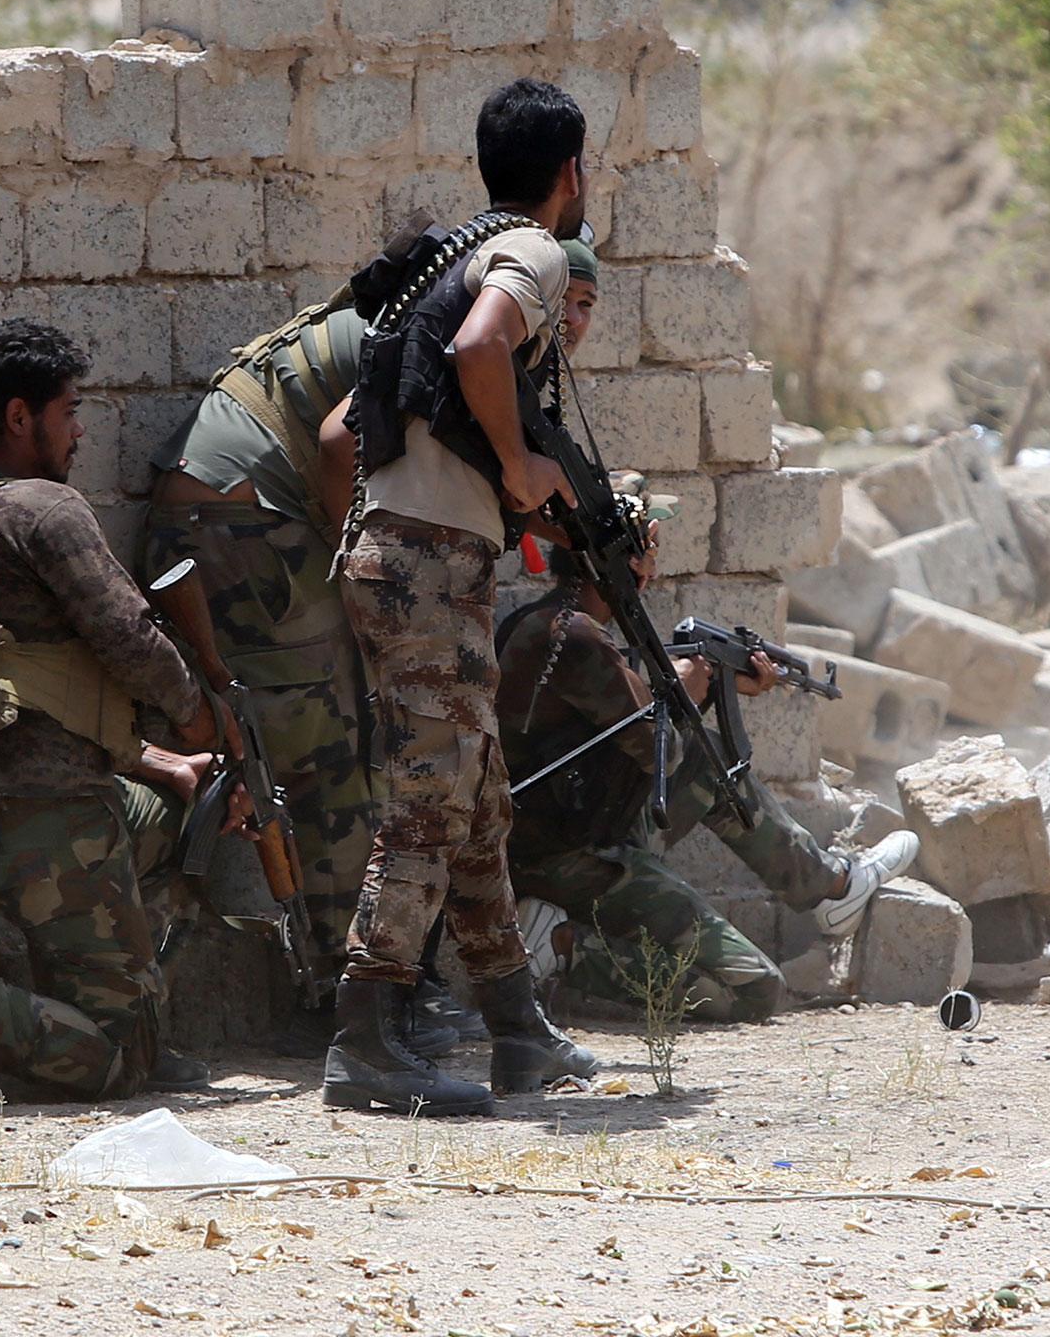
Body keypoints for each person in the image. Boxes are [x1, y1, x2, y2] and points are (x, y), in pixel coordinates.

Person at [320, 78, 601, 1115]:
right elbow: (482, 348)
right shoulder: (528, 251)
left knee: (476, 803)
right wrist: (517, 460)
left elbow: (339, 432)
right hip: (430, 562)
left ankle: (515, 1031)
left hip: (392, 555)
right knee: (428, 811)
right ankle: (365, 1035)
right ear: (569, 173)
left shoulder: (437, 259)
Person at [0, 319, 232, 1101]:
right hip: (43, 815)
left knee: (172, 815)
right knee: (119, 1065)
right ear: (20, 418)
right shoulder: (43, 511)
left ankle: (117, 997)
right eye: (69, 412)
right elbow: (129, 639)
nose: (81, 431)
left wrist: (160, 759)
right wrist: (200, 718)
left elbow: (19, 686)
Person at [140, 281, 461, 1057]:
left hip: (218, 512)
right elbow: (342, 443)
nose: (576, 323)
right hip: (246, 523)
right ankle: (352, 1000)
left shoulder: (409, 309)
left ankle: (345, 981)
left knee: (290, 753)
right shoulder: (449, 332)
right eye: (572, 304)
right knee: (330, 763)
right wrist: (359, 564)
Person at [498, 510, 920, 1022]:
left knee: (709, 755)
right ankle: (563, 949)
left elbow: (625, 742)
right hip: (575, 860)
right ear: (624, 564)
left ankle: (830, 886)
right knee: (756, 991)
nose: (651, 570)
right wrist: (686, 692)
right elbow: (662, 751)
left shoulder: (543, 623)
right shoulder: (577, 639)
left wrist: (708, 688)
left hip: (572, 828)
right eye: (646, 556)